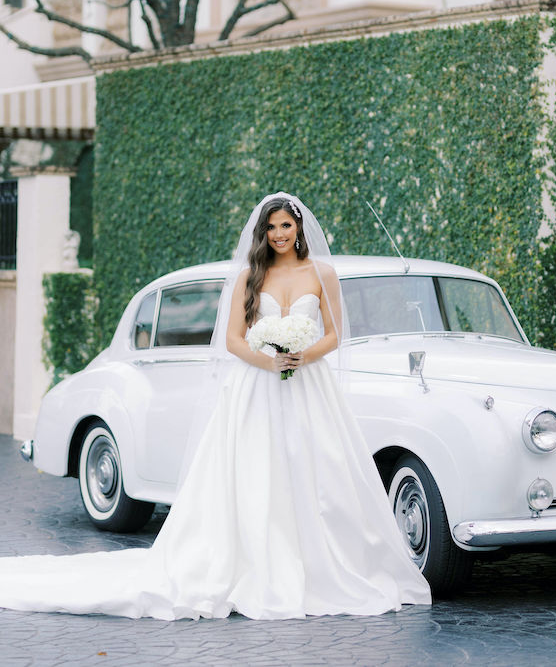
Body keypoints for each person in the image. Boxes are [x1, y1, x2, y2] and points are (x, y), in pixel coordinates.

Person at [0, 192, 431, 620]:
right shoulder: (250, 275)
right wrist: (269, 360)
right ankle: (251, 563)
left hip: (308, 384)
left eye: (286, 225)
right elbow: (233, 340)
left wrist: (303, 356)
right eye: (271, 227)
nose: (279, 234)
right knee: (252, 471)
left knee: (319, 467)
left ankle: (322, 562)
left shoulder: (322, 272)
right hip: (256, 386)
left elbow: (335, 333)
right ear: (262, 232)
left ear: (298, 227)